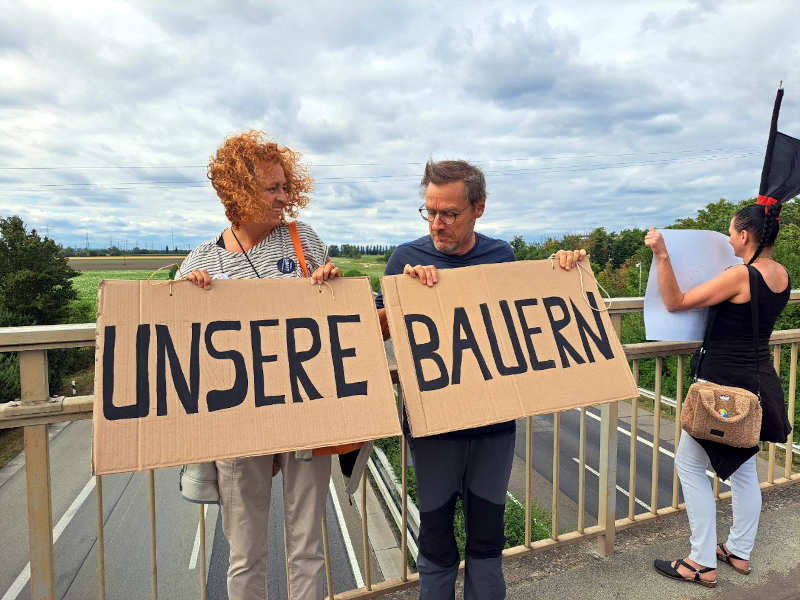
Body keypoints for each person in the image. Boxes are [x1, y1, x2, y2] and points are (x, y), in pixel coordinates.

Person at [375, 159, 585, 599]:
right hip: (432, 426)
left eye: (449, 213)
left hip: (493, 425)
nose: (437, 223)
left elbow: (529, 317)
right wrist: (404, 296)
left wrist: (565, 269)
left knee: (487, 533)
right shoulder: (404, 259)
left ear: (479, 208)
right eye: (429, 211)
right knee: (434, 533)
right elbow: (370, 333)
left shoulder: (501, 256)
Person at [180, 130, 340, 600]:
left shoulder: (302, 240)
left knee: (306, 547)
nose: (285, 197)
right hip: (238, 422)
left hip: (303, 411)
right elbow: (183, 343)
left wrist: (329, 284)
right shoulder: (200, 261)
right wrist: (189, 299)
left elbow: (333, 320)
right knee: (245, 553)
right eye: (273, 188)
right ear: (238, 191)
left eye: (286, 186)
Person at [648, 200, 792, 588]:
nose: (729, 239)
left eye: (731, 232)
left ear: (745, 235)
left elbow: (675, 303)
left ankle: (700, 561)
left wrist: (662, 255)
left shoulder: (740, 276)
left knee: (689, 465)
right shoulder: (780, 274)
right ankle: (739, 551)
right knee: (744, 469)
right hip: (757, 383)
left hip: (721, 388)